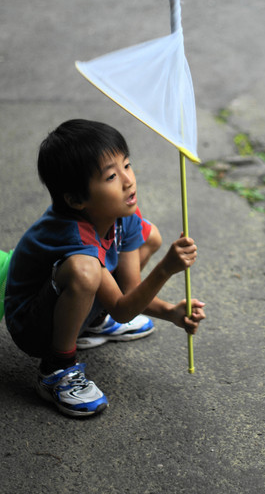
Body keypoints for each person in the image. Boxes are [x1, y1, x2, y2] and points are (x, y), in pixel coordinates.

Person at [4, 119, 205, 418]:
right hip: (33, 327)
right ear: (76, 199)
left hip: (68, 302)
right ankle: (56, 369)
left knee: (150, 236)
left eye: (127, 165)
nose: (128, 180)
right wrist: (165, 269)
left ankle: (93, 321)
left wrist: (171, 312)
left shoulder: (123, 215)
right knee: (84, 270)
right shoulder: (73, 236)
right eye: (111, 176)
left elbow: (130, 292)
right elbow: (123, 310)